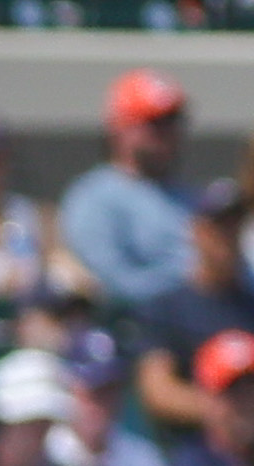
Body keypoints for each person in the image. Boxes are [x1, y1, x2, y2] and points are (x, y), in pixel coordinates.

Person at [56, 69, 197, 313]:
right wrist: (193, 281)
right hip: (136, 328)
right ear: (119, 127)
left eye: (173, 121)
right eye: (154, 123)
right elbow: (112, 284)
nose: (167, 133)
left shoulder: (190, 196)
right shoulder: (94, 197)